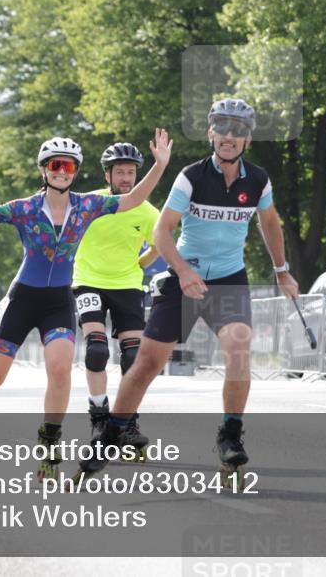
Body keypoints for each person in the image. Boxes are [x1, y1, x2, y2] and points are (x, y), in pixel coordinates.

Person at [0, 130, 171, 480]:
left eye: (69, 166)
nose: (62, 171)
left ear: (75, 172)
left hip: (57, 302)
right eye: (56, 165)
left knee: (59, 371)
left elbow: (134, 199)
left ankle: (49, 446)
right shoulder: (25, 209)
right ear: (44, 169)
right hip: (22, 300)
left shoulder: (87, 206)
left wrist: (160, 165)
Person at [76, 99, 299, 487]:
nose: (228, 137)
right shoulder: (191, 176)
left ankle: (230, 435)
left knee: (239, 350)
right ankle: (111, 437)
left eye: (237, 131)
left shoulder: (258, 180)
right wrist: (182, 272)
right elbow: (162, 232)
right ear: (211, 133)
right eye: (221, 129)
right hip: (183, 278)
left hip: (228, 279)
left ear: (246, 138)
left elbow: (269, 222)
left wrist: (282, 271)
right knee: (146, 364)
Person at [71, 143, 160, 449]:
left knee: (134, 357)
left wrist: (141, 263)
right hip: (89, 282)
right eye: (119, 172)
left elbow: (161, 243)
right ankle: (98, 419)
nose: (126, 178)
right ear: (107, 174)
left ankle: (127, 424)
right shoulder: (90, 203)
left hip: (127, 286)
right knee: (96, 350)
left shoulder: (146, 210)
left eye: (131, 172)